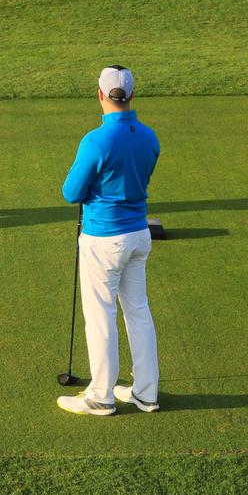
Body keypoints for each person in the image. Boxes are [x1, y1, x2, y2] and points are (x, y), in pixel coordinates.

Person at [56, 65, 162, 416]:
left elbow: (72, 192)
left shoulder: (96, 140)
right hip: (138, 236)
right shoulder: (150, 137)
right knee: (139, 312)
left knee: (101, 316)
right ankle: (145, 393)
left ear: (101, 95)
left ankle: (101, 396)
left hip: (103, 240)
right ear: (132, 94)